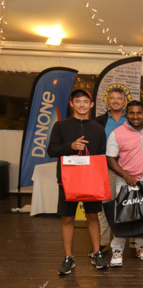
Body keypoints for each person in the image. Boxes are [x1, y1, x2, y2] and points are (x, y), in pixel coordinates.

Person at [47, 89, 108, 274]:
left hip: (91, 181)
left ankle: (97, 253)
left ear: (91, 105)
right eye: (78, 101)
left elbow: (101, 156)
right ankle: (68, 257)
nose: (82, 105)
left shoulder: (98, 128)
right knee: (67, 218)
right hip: (67, 181)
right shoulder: (60, 126)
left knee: (93, 216)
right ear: (72, 104)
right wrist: (70, 147)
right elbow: (51, 150)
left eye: (85, 102)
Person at [106, 101, 143, 266]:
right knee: (124, 216)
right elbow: (110, 159)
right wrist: (125, 175)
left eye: (139, 113)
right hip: (126, 180)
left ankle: (141, 246)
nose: (135, 117)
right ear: (126, 114)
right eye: (131, 113)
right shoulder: (117, 133)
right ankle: (117, 249)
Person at [95, 86, 128, 255]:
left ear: (124, 101)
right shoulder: (99, 121)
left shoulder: (132, 119)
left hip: (128, 170)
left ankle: (128, 240)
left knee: (128, 206)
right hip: (104, 169)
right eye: (112, 98)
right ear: (107, 100)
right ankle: (102, 242)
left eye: (119, 98)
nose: (115, 101)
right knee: (105, 207)